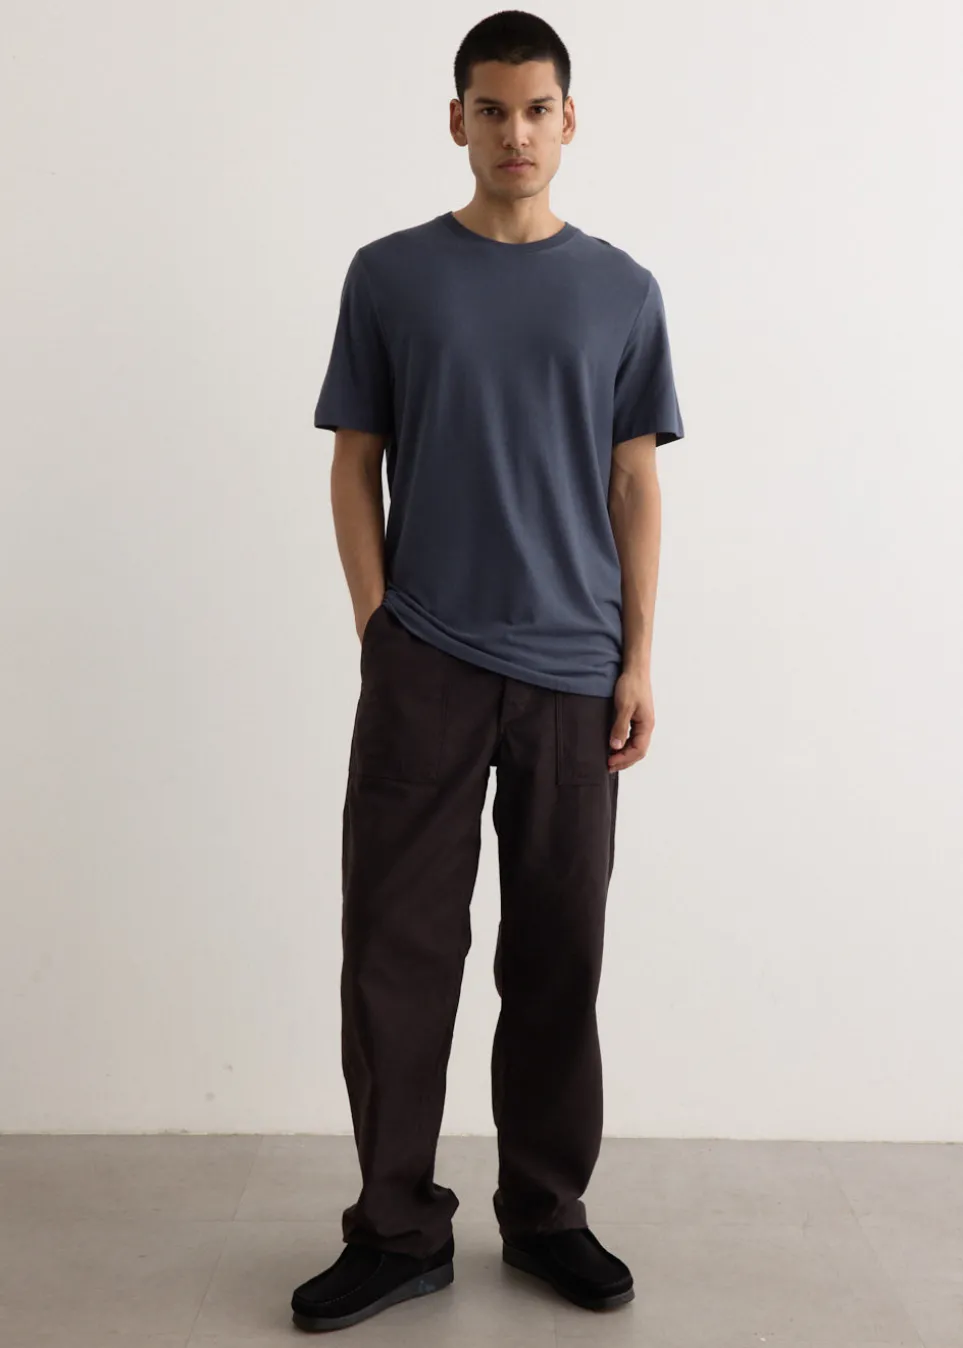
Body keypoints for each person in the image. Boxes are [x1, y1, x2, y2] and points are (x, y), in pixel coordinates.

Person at [291, 8, 684, 1333]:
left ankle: (546, 1212)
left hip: (574, 670)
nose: (515, 131)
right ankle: (396, 1229)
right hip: (428, 661)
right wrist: (379, 627)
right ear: (455, 120)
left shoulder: (622, 290)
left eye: (537, 109)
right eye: (491, 108)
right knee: (394, 953)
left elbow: (634, 483)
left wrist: (637, 659)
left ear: (570, 122)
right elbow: (353, 459)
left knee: (559, 951)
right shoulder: (390, 276)